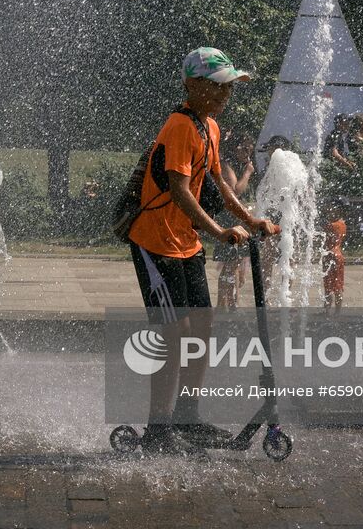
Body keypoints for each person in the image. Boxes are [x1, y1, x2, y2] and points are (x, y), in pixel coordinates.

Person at [127, 47, 279, 454]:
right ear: (192, 85)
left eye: (229, 88)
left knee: (203, 329)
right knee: (173, 335)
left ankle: (187, 416)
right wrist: (218, 231)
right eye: (219, 87)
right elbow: (178, 189)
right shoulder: (178, 125)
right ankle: (157, 431)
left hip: (186, 244)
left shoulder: (208, 127)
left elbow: (219, 186)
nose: (225, 96)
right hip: (156, 244)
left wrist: (251, 221)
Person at [214, 131, 257, 310]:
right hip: (231, 221)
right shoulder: (227, 165)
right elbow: (235, 191)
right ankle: (222, 304)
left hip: (242, 221)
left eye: (249, 146)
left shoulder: (244, 164)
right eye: (243, 146)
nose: (247, 150)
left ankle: (231, 302)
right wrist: (247, 173)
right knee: (229, 264)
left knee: (236, 264)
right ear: (235, 147)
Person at [322, 210, 347, 312]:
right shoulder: (343, 225)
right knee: (338, 285)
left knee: (328, 285)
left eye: (331, 210)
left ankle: (327, 310)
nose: (329, 212)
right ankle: (337, 311)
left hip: (330, 255)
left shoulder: (331, 225)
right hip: (339, 255)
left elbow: (323, 239)